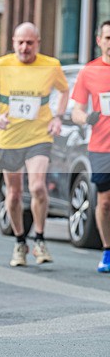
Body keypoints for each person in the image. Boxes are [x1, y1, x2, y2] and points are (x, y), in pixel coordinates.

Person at [0, 22, 69, 267]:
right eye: (20, 42)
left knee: (38, 186)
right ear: (13, 42)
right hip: (10, 138)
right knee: (13, 194)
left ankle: (40, 239)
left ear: (38, 43)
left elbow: (64, 92)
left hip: (39, 136)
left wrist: (58, 117)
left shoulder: (51, 65)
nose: (24, 47)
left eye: (29, 43)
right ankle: (20, 241)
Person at [71, 21, 110, 273]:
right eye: (108, 37)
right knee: (105, 202)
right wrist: (86, 118)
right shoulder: (89, 72)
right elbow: (76, 110)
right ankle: (107, 250)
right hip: (101, 146)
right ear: (99, 40)